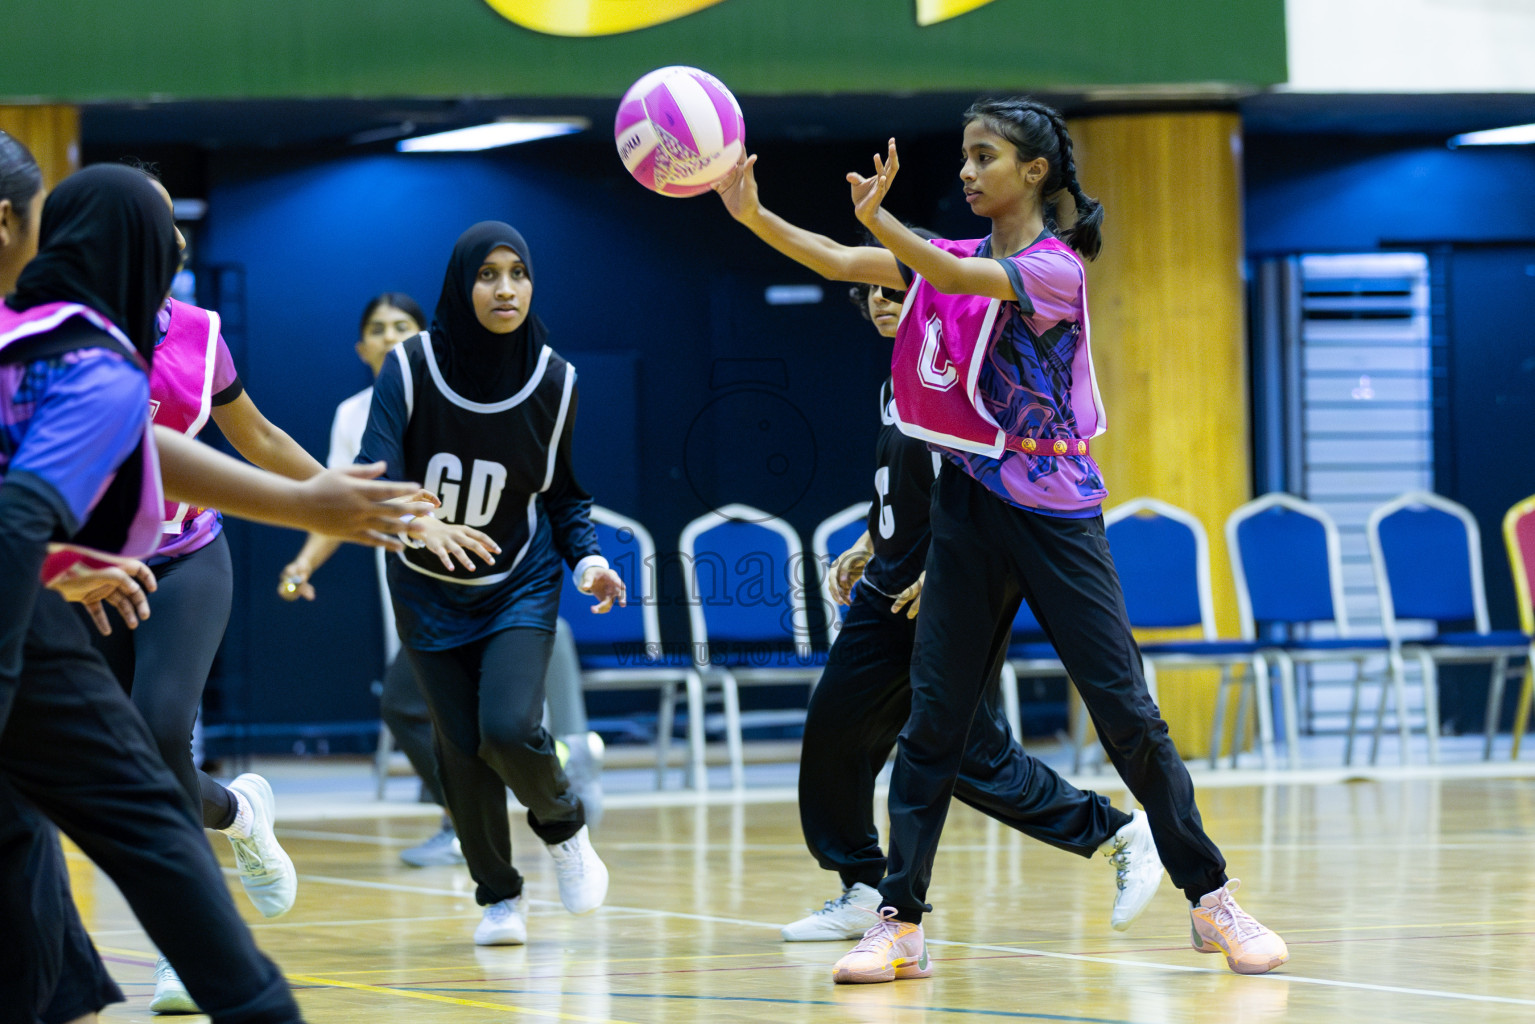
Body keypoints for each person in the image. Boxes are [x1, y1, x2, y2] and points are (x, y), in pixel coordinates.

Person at [712, 97, 1288, 981]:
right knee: (934, 724)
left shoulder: (1055, 268)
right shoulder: (953, 259)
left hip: (1055, 510)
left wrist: (885, 221)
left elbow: (957, 278)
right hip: (971, 509)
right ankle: (898, 922)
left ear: (1034, 172)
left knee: (1127, 716)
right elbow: (833, 258)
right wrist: (751, 215)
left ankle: (1211, 900)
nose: (967, 171)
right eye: (964, 157)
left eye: (984, 157)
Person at [781, 230, 1161, 943]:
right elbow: (908, 482)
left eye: (896, 287)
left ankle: (1115, 833)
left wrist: (940, 566)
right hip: (886, 583)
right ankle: (866, 883)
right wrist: (869, 542)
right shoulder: (897, 376)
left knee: (962, 754)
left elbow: (972, 479)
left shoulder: (958, 369)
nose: (882, 300)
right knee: (842, 733)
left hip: (937, 585)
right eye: (872, 291)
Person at [77, 166, 324, 1012]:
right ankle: (236, 814)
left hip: (184, 558)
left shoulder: (197, 332)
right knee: (107, 765)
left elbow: (253, 435)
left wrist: (336, 496)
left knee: (157, 735)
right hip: (80, 574)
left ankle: (182, 953)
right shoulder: (55, 333)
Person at [351, 221, 623, 945]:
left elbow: (565, 495)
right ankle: (499, 897)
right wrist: (421, 526)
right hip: (424, 583)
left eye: (518, 273)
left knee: (507, 727)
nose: (505, 288)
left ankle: (564, 829)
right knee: (460, 745)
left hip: (518, 579)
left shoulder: (556, 380)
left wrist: (589, 559)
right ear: (460, 283)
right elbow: (375, 473)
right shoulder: (407, 368)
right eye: (487, 274)